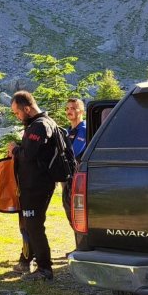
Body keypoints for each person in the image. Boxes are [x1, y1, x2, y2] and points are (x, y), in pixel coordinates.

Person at [8, 90, 57, 281]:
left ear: (27, 108)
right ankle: (26, 260)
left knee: (34, 225)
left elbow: (29, 154)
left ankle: (45, 268)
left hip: (37, 186)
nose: (17, 116)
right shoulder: (40, 123)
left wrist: (15, 149)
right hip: (34, 185)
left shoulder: (40, 126)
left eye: (17, 112)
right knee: (29, 224)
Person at [62, 97, 87, 227]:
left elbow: (74, 153)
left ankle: (83, 244)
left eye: (73, 108)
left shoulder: (84, 130)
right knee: (69, 212)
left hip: (78, 180)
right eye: (67, 108)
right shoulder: (68, 131)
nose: (69, 111)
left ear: (81, 110)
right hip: (68, 179)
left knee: (77, 216)